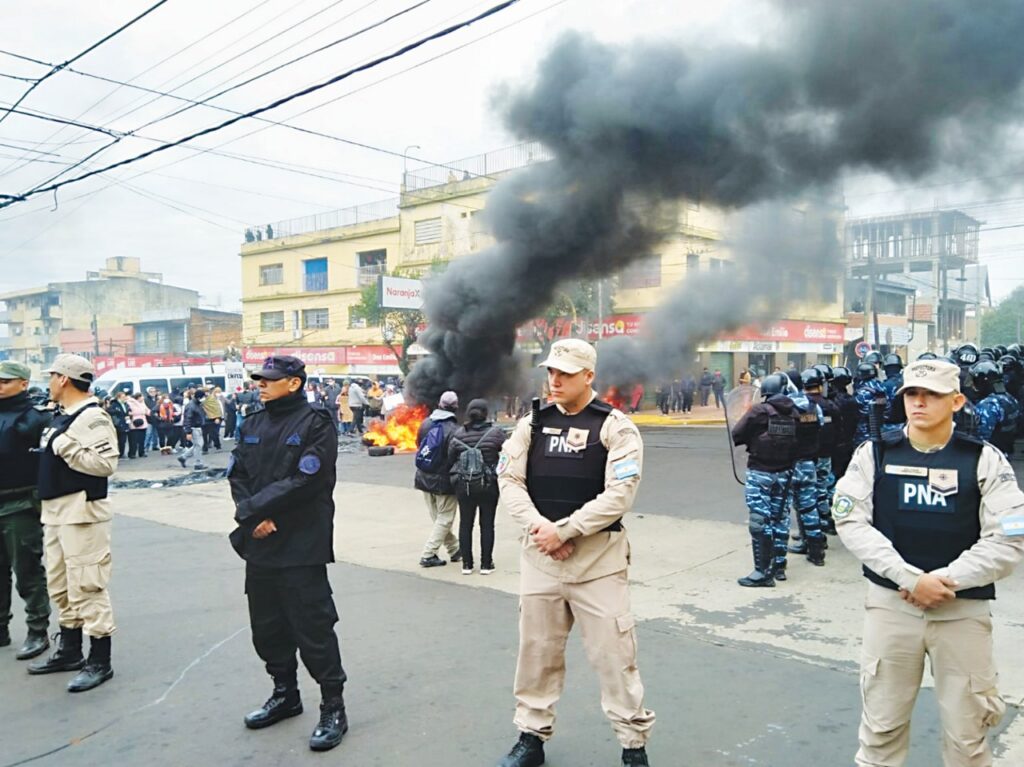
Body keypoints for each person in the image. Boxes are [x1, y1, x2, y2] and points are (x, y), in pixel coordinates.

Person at [833, 358, 1024, 767]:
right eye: (912, 394)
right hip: (892, 607)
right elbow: (850, 520)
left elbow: (1011, 537)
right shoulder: (875, 453)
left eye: (931, 395)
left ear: (956, 401)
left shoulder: (985, 460)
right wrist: (908, 578)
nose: (919, 403)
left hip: (961, 612)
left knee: (967, 738)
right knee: (880, 732)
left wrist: (946, 580)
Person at [495, 338, 655, 767]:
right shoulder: (532, 423)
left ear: (589, 376)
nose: (554, 380)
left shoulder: (615, 427)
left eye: (565, 373)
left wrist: (565, 530)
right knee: (537, 653)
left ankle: (632, 745)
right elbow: (509, 480)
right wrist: (540, 529)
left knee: (615, 657)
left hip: (597, 564)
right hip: (541, 560)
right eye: (551, 371)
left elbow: (620, 494)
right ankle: (531, 737)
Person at [227, 355, 347, 753]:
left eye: (269, 379)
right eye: (258, 378)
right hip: (260, 542)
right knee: (267, 627)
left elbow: (308, 480)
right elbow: (238, 474)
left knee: (313, 628)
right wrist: (250, 518)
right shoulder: (253, 422)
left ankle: (333, 706)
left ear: (293, 383)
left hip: (301, 543)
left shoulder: (317, 422)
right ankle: (285, 693)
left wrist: (255, 510)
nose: (260, 384)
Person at [28, 354, 119, 692]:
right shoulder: (61, 416)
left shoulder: (91, 417)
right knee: (60, 585)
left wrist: (64, 444)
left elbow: (105, 463)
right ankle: (69, 650)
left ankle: (100, 660)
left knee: (88, 585)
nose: (49, 383)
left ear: (64, 379)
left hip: (82, 513)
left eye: (52, 376)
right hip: (55, 511)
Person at [0, 361, 52, 660]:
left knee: (27, 571)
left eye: (5, 381)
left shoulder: (36, 419)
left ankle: (37, 630)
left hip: (20, 504)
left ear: (22, 383)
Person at [730, 372, 798, 586]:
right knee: (780, 518)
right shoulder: (796, 411)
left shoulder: (760, 411)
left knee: (760, 521)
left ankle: (762, 572)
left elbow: (738, 433)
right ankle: (779, 567)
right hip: (786, 472)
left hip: (761, 471)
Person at [447, 398, 506, 575]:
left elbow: (450, 459)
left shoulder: (458, 434)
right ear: (486, 413)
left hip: (464, 486)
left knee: (465, 524)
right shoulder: (496, 434)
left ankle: (467, 564)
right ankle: (486, 564)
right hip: (488, 485)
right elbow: (507, 455)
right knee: (487, 525)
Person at [415, 391, 462, 568]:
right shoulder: (455, 430)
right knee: (445, 519)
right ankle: (428, 554)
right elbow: (454, 456)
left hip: (423, 477)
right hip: (444, 482)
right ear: (455, 407)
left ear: (439, 404)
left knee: (439, 519)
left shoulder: (425, 423)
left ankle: (455, 550)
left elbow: (418, 446)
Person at [803, 367, 841, 535]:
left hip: (808, 455)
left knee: (809, 491)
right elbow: (839, 428)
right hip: (826, 453)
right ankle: (829, 518)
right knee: (825, 485)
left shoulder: (803, 406)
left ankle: (817, 524)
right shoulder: (830, 405)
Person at [177, 389, 208, 470]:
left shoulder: (197, 404)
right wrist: (188, 432)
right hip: (193, 428)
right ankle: (198, 463)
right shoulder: (191, 406)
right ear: (199, 397)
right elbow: (188, 419)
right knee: (198, 445)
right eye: (203, 397)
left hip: (197, 427)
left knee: (197, 445)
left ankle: (183, 457)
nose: (204, 398)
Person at [106, 391, 130, 458]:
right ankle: (119, 453)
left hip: (125, 423)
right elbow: (109, 411)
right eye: (123, 397)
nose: (124, 398)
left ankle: (122, 453)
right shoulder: (114, 404)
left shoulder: (125, 404)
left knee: (123, 440)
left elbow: (126, 412)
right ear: (119, 397)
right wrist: (117, 411)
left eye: (125, 397)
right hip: (118, 423)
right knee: (119, 440)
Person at [126, 393, 149, 459]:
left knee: (142, 440)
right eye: (142, 397)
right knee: (134, 441)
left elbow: (146, 410)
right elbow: (130, 412)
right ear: (138, 397)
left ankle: (141, 452)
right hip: (135, 423)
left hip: (143, 423)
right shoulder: (130, 403)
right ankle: (132, 453)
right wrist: (142, 411)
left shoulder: (143, 403)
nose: (143, 398)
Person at [202, 387, 223, 452]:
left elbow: (216, 408)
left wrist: (217, 417)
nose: (206, 393)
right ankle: (205, 449)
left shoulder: (212, 399)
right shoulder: (201, 399)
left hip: (212, 419)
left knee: (214, 434)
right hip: (203, 419)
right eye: (205, 391)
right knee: (204, 435)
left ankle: (218, 446)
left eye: (207, 391)